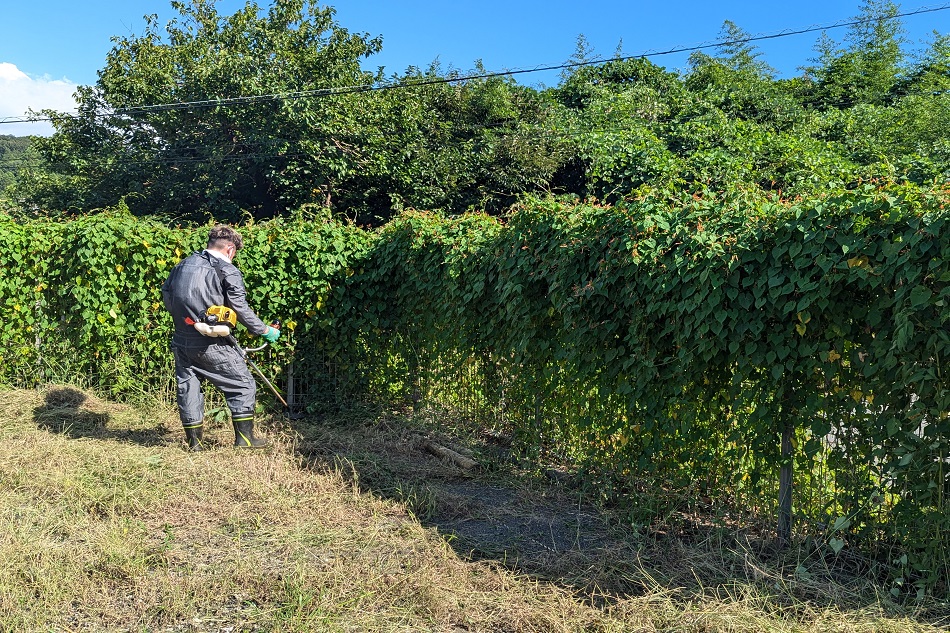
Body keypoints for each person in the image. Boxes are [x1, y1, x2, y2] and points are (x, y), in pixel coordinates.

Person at [161, 225, 280, 451]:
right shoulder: (226, 269)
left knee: (189, 387)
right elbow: (240, 308)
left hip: (182, 340)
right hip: (212, 343)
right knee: (242, 384)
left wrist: (187, 319)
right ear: (230, 249)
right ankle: (245, 440)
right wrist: (264, 330)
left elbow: (167, 296)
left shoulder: (182, 265)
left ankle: (194, 443)